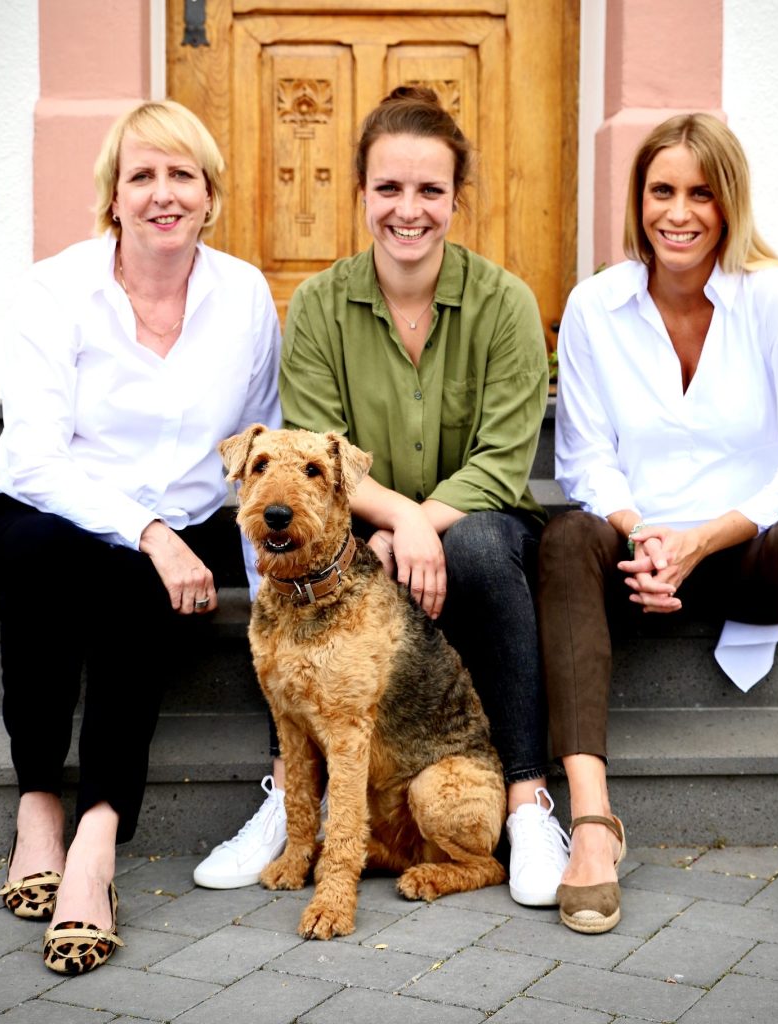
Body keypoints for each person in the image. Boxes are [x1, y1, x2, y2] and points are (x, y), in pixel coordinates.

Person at [195, 85, 570, 907]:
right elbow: (311, 453)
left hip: (476, 519)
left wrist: (426, 524)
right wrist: (396, 518)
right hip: (360, 522)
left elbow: (504, 458)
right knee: (298, 560)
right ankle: (285, 799)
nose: (409, 210)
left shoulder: (503, 302)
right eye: (389, 189)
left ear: (455, 199)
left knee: (472, 547)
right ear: (361, 194)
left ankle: (525, 800)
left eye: (430, 190)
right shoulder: (322, 306)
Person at [538, 112, 778, 944]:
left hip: (746, 560)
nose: (679, 212)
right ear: (638, 199)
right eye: (661, 190)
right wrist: (645, 533)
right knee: (561, 538)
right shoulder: (595, 306)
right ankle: (592, 824)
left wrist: (701, 539)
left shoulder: (774, 298)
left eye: (701, 192)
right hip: (637, 561)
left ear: (729, 203)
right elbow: (586, 460)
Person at [0, 99, 282, 974]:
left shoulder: (245, 296)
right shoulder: (56, 289)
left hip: (178, 532)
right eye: (142, 175)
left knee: (125, 581)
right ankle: (40, 805)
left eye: (182, 175)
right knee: (76, 570)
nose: (163, 194)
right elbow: (31, 459)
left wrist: (276, 583)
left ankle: (89, 837)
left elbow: (258, 446)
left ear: (210, 194)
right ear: (113, 196)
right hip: (32, 518)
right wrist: (144, 529)